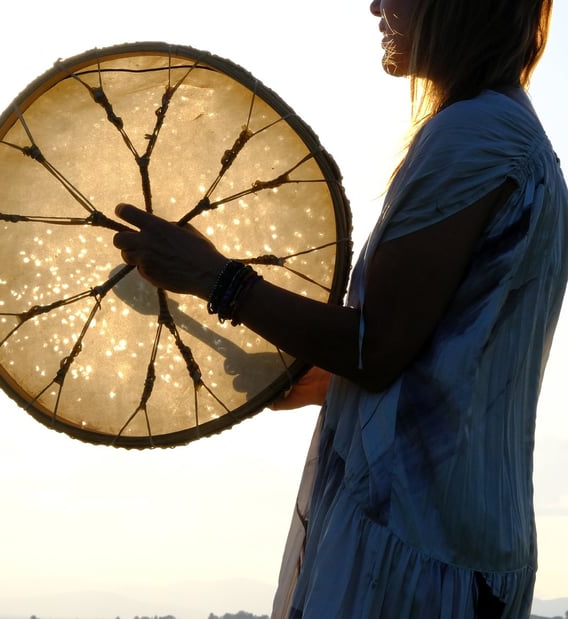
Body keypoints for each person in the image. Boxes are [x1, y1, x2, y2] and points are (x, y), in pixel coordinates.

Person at [113, 0, 567, 616]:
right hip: (461, 544)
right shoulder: (510, 130)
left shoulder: (475, 135)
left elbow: (375, 350)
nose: (374, 5)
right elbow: (439, 359)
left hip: (415, 550)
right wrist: (316, 377)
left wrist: (214, 278)